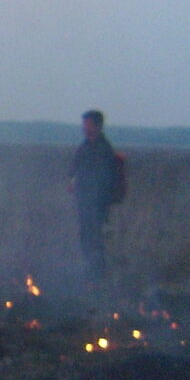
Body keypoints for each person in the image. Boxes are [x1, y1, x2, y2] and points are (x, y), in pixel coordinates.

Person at [70, 109, 120, 283]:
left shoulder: (103, 149)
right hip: (84, 202)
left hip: (96, 205)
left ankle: (97, 277)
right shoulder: (85, 146)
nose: (85, 128)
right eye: (84, 125)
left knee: (94, 241)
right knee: (86, 239)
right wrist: (74, 182)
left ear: (98, 126)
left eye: (88, 124)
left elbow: (103, 178)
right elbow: (75, 168)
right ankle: (90, 274)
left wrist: (94, 196)